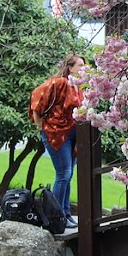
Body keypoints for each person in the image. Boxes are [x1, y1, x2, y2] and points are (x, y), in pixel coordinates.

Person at [30, 54, 85, 229]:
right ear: (70, 68)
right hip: (56, 132)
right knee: (63, 173)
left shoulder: (79, 87)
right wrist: (39, 124)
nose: (84, 69)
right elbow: (36, 96)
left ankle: (66, 214)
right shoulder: (60, 83)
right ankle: (55, 216)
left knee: (68, 175)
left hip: (72, 133)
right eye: (80, 66)